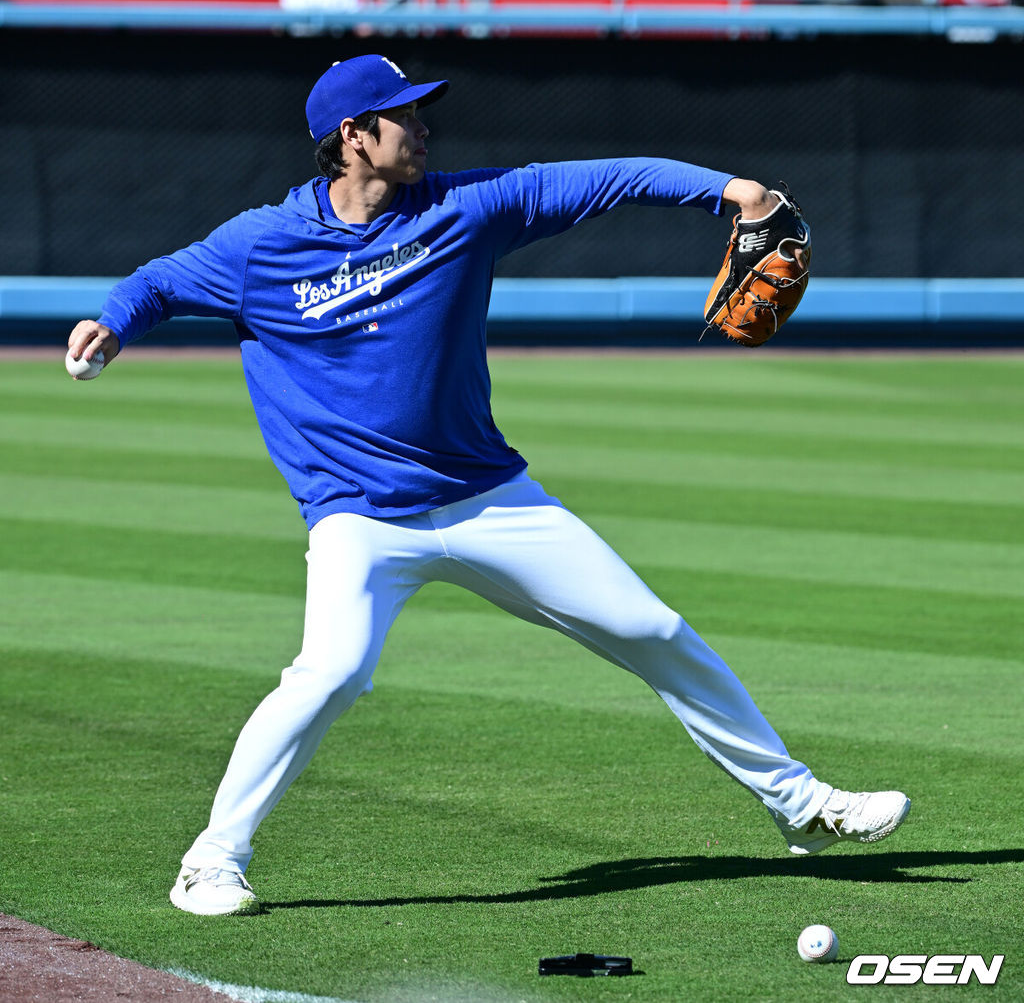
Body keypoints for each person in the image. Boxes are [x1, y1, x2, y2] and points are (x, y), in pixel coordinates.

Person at [67, 54, 911, 917]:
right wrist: (113, 322)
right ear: (352, 138)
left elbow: (608, 179)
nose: (424, 126)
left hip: (487, 498)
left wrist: (735, 192)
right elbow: (160, 281)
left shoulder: (464, 209)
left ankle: (802, 804)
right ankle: (210, 861)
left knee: (650, 625)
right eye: (404, 116)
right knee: (330, 672)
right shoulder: (261, 245)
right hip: (359, 517)